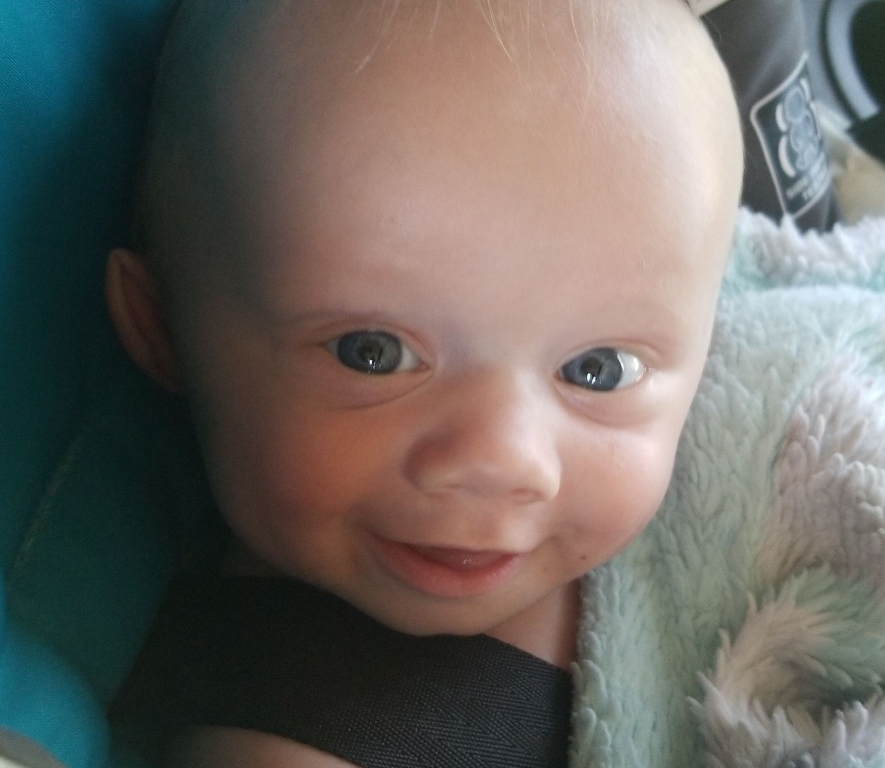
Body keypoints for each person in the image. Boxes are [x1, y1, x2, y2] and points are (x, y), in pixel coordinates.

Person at [104, 0, 744, 765]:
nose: (498, 460)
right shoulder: (280, 743)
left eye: (596, 370)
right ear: (162, 324)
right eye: (371, 353)